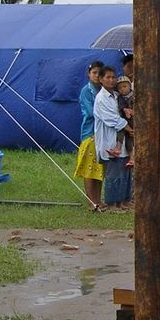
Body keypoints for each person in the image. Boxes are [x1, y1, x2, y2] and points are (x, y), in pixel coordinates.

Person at [94, 65, 133, 209]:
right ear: (101, 80)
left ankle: (124, 201)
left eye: (113, 77)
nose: (111, 80)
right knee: (114, 174)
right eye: (107, 77)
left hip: (123, 141)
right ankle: (111, 203)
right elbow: (112, 119)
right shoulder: (101, 98)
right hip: (109, 140)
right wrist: (128, 128)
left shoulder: (117, 96)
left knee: (126, 173)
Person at [73, 61, 105, 210]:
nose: (97, 76)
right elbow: (92, 111)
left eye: (100, 73)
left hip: (103, 133)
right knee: (89, 167)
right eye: (94, 73)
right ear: (89, 74)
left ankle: (98, 199)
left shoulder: (104, 90)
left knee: (98, 168)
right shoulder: (86, 91)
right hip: (90, 132)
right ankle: (91, 201)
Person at [114, 75, 135, 168]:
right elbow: (121, 106)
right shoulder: (120, 98)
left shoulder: (134, 95)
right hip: (126, 121)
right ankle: (119, 148)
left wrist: (133, 111)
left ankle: (133, 158)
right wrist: (125, 110)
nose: (122, 89)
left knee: (133, 140)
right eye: (119, 88)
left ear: (130, 86)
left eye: (124, 86)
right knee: (122, 134)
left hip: (134, 121)